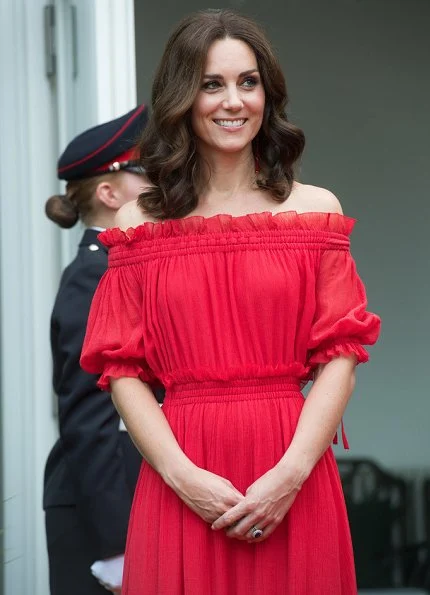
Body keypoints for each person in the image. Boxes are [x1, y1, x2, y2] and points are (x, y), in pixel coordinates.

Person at [81, 9, 381, 595]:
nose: (233, 101)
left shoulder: (314, 209)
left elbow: (341, 356)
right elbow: (121, 369)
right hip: (181, 472)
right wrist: (181, 475)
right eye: (211, 84)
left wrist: (290, 477)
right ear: (182, 97)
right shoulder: (138, 221)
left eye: (248, 82)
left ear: (268, 94)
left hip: (292, 468)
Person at [43, 105, 163, 595]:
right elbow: (88, 414)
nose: (160, 182)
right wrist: (115, 547)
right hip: (103, 508)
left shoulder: (122, 269)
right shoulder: (94, 276)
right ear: (110, 193)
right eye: (146, 172)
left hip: (126, 493)